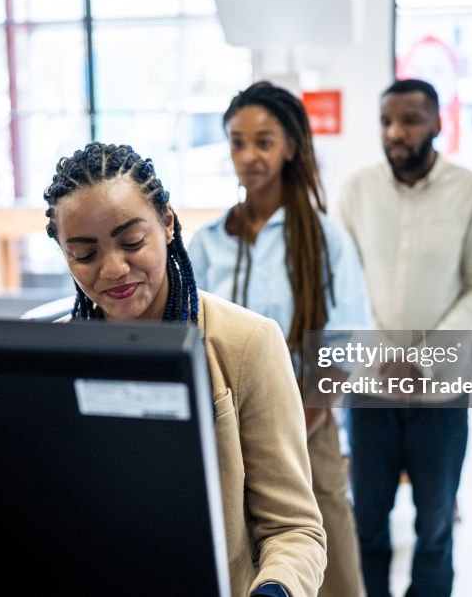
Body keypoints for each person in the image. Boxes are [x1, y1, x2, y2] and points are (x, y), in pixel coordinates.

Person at [43, 141, 326, 597]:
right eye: (85, 254)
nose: (113, 269)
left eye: (132, 242)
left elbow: (293, 530)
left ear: (168, 224)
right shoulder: (52, 358)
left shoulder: (245, 343)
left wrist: (274, 590)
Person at [189, 81, 371, 596]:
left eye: (263, 141)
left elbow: (342, 352)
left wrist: (288, 427)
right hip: (220, 434)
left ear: (290, 146)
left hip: (307, 434)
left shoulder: (326, 240)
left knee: (330, 575)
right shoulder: (207, 243)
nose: (248, 156)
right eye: (237, 142)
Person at [333, 78, 472, 596]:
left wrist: (423, 358)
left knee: (434, 526)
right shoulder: (357, 189)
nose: (395, 132)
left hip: (441, 393)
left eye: (409, 120)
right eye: (386, 121)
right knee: (367, 523)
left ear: (437, 124)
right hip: (370, 391)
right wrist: (382, 356)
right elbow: (342, 282)